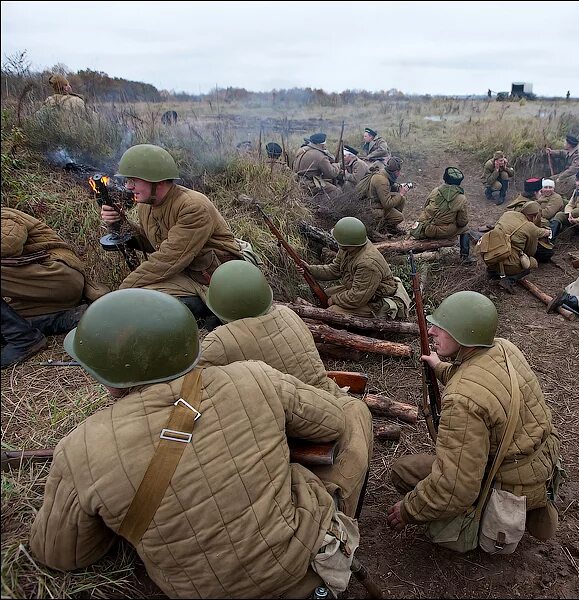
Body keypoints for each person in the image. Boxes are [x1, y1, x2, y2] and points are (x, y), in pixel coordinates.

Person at [30, 288, 364, 598]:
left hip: (203, 591)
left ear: (102, 371)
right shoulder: (253, 377)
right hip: (302, 567)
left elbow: (60, 554)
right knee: (355, 411)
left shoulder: (80, 448)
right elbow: (333, 421)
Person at [198, 260, 373, 518]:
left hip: (295, 419)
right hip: (329, 398)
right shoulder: (287, 313)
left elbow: (195, 384)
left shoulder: (221, 341)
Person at [387, 291, 562, 548]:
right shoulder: (503, 348)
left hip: (508, 482)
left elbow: (456, 488)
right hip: (538, 465)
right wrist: (439, 367)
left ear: (465, 334)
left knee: (402, 471)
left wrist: (408, 511)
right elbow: (481, 381)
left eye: (442, 328)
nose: (432, 332)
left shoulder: (462, 399)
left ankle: (485, 519)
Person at [99, 144, 243, 328]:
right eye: (128, 180)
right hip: (184, 272)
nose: (128, 186)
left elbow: (169, 258)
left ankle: (209, 311)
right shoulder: (146, 205)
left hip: (211, 279)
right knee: (140, 296)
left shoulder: (192, 207)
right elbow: (153, 243)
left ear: (158, 181)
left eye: (134, 180)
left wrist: (120, 293)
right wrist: (119, 224)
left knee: (140, 299)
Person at [1, 207, 109, 368]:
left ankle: (24, 340)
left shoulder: (4, 215)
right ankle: (68, 318)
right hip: (40, 293)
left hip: (58, 276)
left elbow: (9, 244)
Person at [305, 217, 411, 319]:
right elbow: (334, 269)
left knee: (332, 312)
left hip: (378, 300)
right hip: (362, 291)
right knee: (323, 295)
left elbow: (357, 297)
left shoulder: (368, 263)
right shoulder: (349, 247)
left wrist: (334, 299)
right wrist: (310, 269)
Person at [478, 201, 551, 290]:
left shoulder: (507, 214)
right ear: (534, 216)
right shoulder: (530, 227)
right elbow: (530, 252)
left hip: (489, 255)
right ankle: (509, 280)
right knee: (532, 263)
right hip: (507, 261)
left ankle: (493, 271)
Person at [410, 167, 472, 263]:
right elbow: (462, 222)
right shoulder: (461, 198)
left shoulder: (436, 190)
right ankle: (465, 257)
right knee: (466, 228)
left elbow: (425, 205)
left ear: (445, 179)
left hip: (426, 227)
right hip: (441, 231)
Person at [360, 156, 408, 236]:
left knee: (402, 199)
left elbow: (388, 186)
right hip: (374, 207)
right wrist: (401, 193)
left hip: (376, 201)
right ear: (395, 171)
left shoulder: (384, 173)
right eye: (398, 172)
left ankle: (391, 228)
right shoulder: (382, 180)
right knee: (399, 217)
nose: (399, 174)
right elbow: (387, 204)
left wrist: (398, 187)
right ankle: (383, 228)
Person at [293, 132, 342, 196]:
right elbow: (332, 173)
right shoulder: (320, 156)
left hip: (298, 181)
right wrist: (337, 165)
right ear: (322, 145)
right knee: (336, 191)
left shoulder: (302, 150)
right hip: (310, 184)